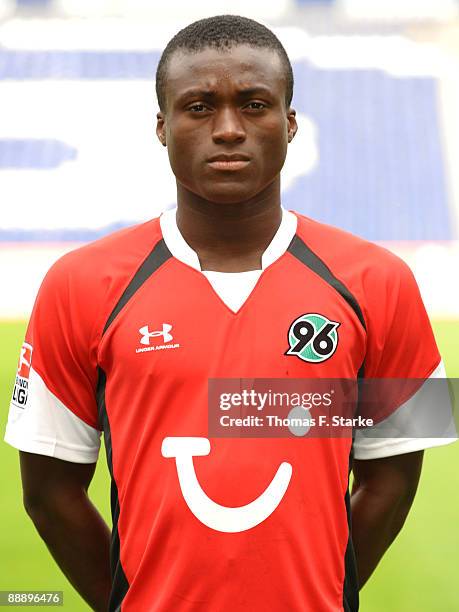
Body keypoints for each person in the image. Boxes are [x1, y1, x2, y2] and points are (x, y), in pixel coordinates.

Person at [4, 14, 456, 612]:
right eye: (197, 107)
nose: (227, 129)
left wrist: (319, 596)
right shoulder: (77, 284)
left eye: (254, 104)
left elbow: (395, 476)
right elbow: (49, 491)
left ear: (289, 124)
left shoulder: (383, 281)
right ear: (161, 127)